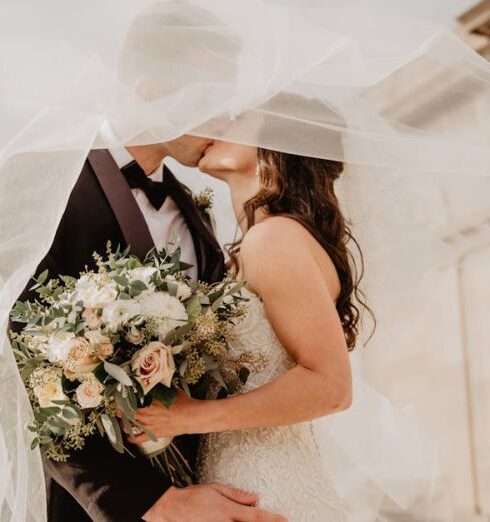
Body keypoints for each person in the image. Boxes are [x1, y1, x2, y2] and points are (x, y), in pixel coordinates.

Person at [17, 135, 284, 522]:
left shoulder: (195, 213)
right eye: (210, 97)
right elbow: (18, 365)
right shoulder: (47, 182)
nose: (223, 121)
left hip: (205, 489)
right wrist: (153, 503)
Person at [131, 141, 367, 520]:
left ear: (274, 143)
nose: (214, 126)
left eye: (236, 117)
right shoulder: (255, 241)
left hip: (267, 487)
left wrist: (189, 416)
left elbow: (331, 387)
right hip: (236, 481)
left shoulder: (274, 239)